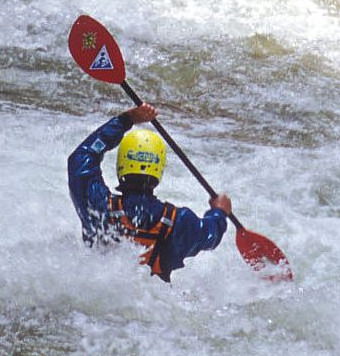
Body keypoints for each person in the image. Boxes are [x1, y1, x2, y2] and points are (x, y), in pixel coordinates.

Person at [67, 101, 232, 283]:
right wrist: (219, 212)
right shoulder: (181, 222)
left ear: (121, 164)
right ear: (159, 168)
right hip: (151, 303)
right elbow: (210, 235)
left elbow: (81, 158)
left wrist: (125, 120)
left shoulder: (97, 205)